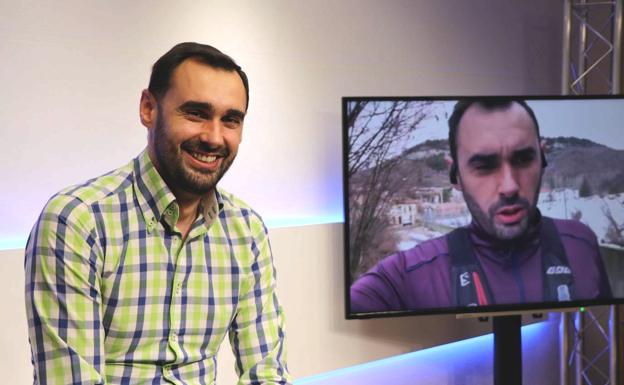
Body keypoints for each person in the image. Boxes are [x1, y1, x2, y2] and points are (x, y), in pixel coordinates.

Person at [25, 42, 291, 384]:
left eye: (230, 120)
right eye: (196, 113)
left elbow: (266, 371)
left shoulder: (246, 230)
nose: (214, 137)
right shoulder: (77, 222)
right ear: (149, 108)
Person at [350, 98, 613, 312]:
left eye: (523, 159)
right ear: (456, 176)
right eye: (484, 166)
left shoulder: (581, 242)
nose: (509, 185)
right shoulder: (410, 273)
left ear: (542, 158)